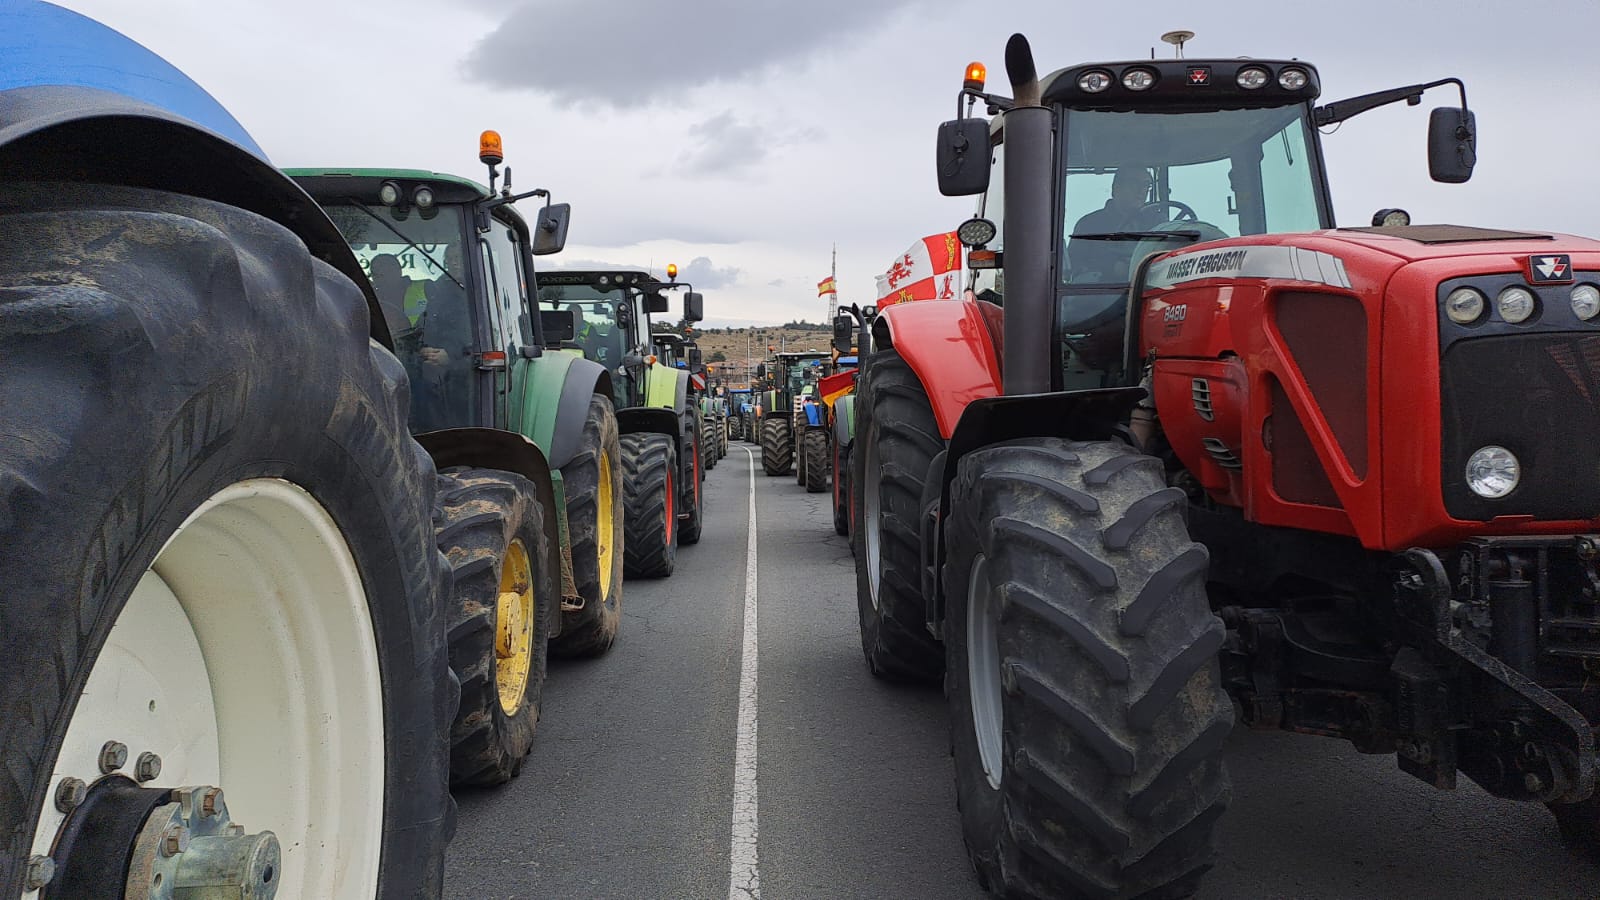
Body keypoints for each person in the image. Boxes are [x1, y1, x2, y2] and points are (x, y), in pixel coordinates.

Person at [1067, 166, 1161, 282]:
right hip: (1103, 293)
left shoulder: (1157, 222)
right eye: (1134, 184)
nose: (1141, 190)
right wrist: (1111, 267)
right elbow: (1075, 266)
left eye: (1146, 185)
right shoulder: (1089, 224)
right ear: (1116, 188)